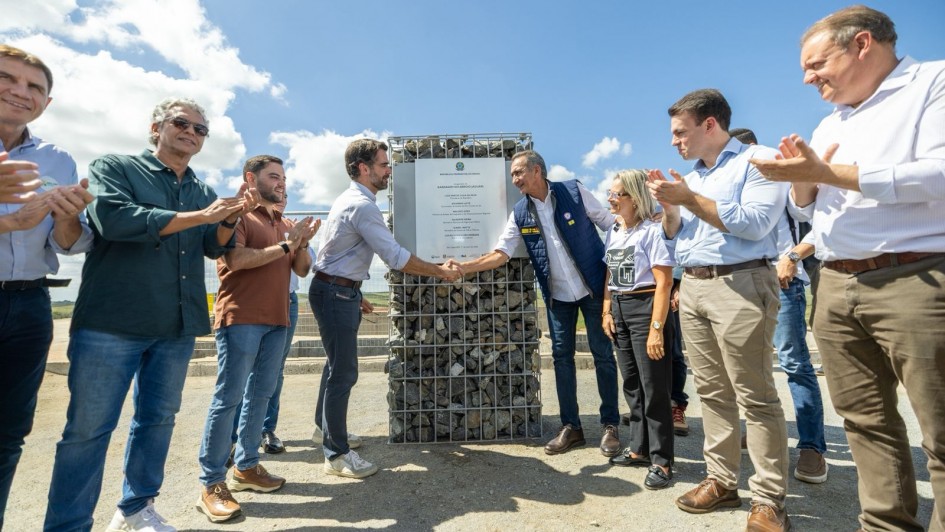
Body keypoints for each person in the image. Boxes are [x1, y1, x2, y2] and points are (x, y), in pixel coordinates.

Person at [751, 6, 945, 530]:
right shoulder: (830, 120)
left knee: (941, 432)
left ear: (862, 44)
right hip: (836, 284)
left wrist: (826, 171)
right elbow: (811, 210)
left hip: (918, 280)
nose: (809, 78)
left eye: (817, 64)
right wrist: (803, 181)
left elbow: (938, 175)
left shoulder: (934, 82)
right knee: (866, 426)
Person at [44, 97, 257, 532]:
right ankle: (68, 525)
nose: (192, 133)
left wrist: (230, 219)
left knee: (157, 422)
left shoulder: (200, 189)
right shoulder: (115, 167)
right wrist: (204, 214)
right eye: (183, 123)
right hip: (112, 322)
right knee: (87, 431)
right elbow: (115, 221)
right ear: (156, 126)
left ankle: (136, 509)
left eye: (201, 129)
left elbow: (212, 247)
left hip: (174, 326)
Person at [647, 89, 791, 531]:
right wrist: (672, 208)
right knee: (711, 392)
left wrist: (688, 199)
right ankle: (722, 481)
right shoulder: (695, 177)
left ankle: (768, 500)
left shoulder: (759, 161)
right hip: (695, 288)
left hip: (742, 283)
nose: (675, 141)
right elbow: (675, 237)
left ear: (710, 124)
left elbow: (755, 223)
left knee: (756, 394)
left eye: (680, 132)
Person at [450, 150, 621, 457]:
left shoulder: (574, 190)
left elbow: (610, 224)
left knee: (603, 356)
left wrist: (614, 268)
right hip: (557, 297)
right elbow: (501, 253)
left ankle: (610, 425)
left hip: (594, 288)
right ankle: (572, 428)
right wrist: (465, 266)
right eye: (513, 174)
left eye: (519, 173)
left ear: (538, 171)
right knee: (561, 358)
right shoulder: (520, 212)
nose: (515, 179)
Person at [312, 138, 460, 478]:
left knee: (333, 366)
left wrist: (351, 289)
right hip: (335, 292)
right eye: (383, 164)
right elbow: (394, 257)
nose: (388, 170)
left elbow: (335, 255)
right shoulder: (362, 206)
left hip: (338, 290)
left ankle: (324, 430)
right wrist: (441, 271)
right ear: (364, 169)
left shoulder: (351, 200)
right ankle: (336, 453)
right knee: (344, 372)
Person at [0, 44, 94, 530]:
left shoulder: (56, 159)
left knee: (10, 433)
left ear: (46, 103)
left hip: (30, 303)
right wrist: (11, 220)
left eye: (34, 86)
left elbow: (71, 244)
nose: (21, 91)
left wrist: (68, 220)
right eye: (8, 78)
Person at [196, 156, 316, 523]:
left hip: (278, 319)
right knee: (228, 398)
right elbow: (237, 260)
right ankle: (212, 483)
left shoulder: (285, 221)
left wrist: (303, 244)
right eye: (273, 176)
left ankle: (247, 466)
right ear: (251, 178)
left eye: (283, 177)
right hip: (241, 319)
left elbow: (302, 270)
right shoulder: (237, 217)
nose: (281, 182)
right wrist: (284, 246)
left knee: (261, 395)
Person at [731, 127, 829, 484]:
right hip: (743, 284)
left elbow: (812, 223)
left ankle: (812, 447)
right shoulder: (732, 187)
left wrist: (791, 256)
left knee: (794, 363)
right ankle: (765, 430)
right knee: (751, 365)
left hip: (783, 282)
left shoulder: (778, 178)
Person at [601, 170, 676, 490]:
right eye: (610, 193)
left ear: (634, 197)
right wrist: (606, 310)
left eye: (617, 194)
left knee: (654, 386)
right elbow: (609, 275)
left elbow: (664, 282)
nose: (611, 198)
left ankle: (662, 461)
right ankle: (639, 449)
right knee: (632, 383)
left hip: (646, 307)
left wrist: (657, 329)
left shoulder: (651, 232)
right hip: (620, 307)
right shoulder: (613, 231)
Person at [260, 192, 312, 454]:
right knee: (246, 371)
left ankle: (267, 429)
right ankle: (235, 435)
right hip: (256, 301)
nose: (280, 199)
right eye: (275, 192)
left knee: (275, 370)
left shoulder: (292, 228)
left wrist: (300, 244)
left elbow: (303, 269)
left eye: (284, 196)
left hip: (287, 301)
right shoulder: (249, 222)